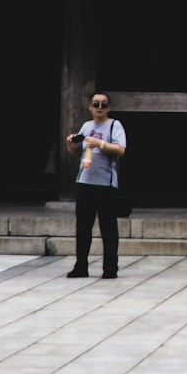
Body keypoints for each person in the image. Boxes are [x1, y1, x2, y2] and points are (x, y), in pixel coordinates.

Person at [66, 91, 126, 280]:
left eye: (103, 104)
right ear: (90, 107)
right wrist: (70, 143)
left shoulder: (114, 125)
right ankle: (81, 266)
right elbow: (77, 152)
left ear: (109, 108)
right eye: (96, 104)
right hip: (85, 182)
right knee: (83, 228)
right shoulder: (86, 126)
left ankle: (110, 268)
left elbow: (120, 149)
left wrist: (100, 143)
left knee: (108, 228)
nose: (99, 108)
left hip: (106, 185)